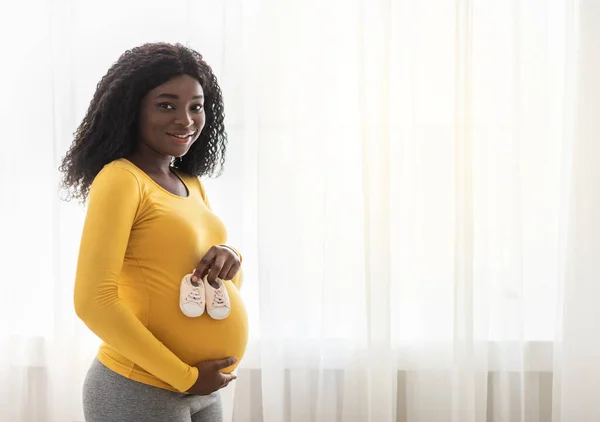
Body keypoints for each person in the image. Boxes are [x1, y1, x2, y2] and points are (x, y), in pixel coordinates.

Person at [59, 42, 249, 422]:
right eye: (166, 105)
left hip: (204, 388)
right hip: (141, 389)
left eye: (196, 106)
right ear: (132, 110)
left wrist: (230, 256)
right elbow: (93, 301)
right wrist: (186, 377)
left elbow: (215, 287)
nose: (186, 119)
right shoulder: (121, 179)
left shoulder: (189, 182)